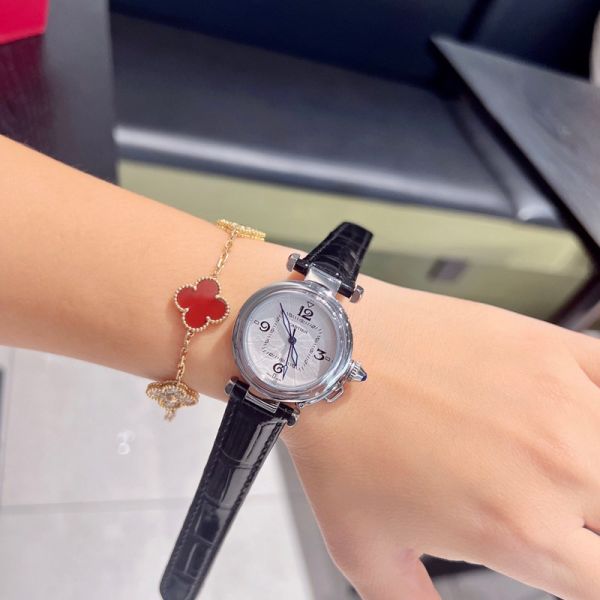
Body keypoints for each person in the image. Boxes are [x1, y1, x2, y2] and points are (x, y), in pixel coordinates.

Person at [1, 133, 600, 600]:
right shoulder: (301, 313)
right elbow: (264, 319)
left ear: (338, 372)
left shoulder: (321, 343)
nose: (293, 349)